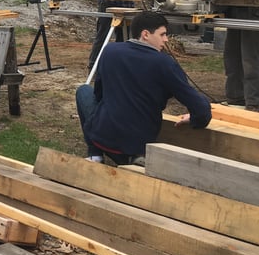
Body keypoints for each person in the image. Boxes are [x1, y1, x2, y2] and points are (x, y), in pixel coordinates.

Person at [76, 11, 211, 165]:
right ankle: (132, 157)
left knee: (84, 91)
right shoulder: (165, 64)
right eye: (162, 34)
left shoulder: (110, 51)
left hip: (103, 139)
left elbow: (99, 93)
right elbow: (200, 108)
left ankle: (95, 153)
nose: (166, 40)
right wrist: (196, 119)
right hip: (137, 146)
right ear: (145, 34)